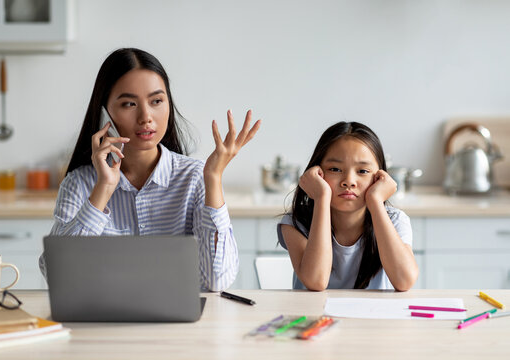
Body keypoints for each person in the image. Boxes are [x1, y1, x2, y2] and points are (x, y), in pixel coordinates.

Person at [39, 48, 260, 292]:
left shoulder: (195, 177)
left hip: (179, 326)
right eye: (129, 104)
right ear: (104, 114)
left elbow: (216, 280)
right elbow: (58, 278)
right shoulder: (79, 184)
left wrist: (214, 178)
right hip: (105, 325)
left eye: (156, 101)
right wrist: (103, 189)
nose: (146, 117)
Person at [277, 122, 418, 291]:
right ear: (317, 172)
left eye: (363, 171)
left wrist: (375, 201)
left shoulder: (394, 220)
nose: (349, 181)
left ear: (379, 178)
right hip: (317, 316)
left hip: (374, 316)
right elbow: (316, 281)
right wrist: (321, 198)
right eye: (335, 169)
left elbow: (404, 281)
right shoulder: (296, 223)